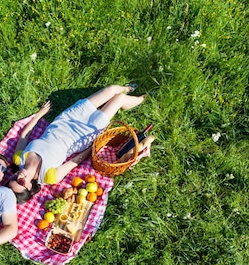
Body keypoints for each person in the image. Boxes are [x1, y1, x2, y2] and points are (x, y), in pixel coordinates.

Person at [8, 84, 155, 203]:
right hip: (82, 135)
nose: (19, 177)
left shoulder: (19, 158)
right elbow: (74, 161)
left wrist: (40, 114)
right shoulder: (48, 177)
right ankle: (145, 97)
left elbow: (24, 134)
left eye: (14, 178)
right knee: (119, 99)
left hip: (66, 119)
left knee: (110, 90)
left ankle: (130, 88)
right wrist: (92, 146)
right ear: (28, 187)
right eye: (21, 183)